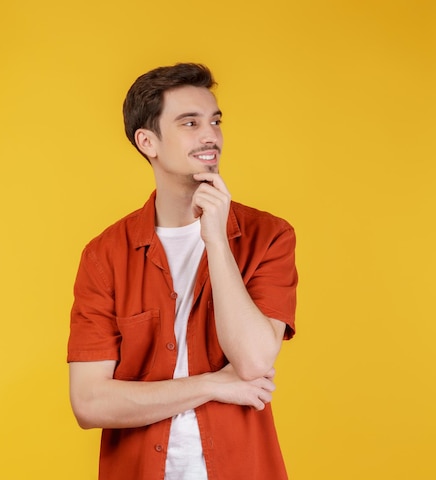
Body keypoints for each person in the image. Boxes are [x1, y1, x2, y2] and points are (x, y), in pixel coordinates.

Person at [67, 63, 298, 480]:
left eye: (214, 121)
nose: (210, 136)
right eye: (190, 123)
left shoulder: (268, 236)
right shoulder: (105, 257)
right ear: (148, 141)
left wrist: (216, 241)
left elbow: (252, 361)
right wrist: (212, 385)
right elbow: (89, 404)